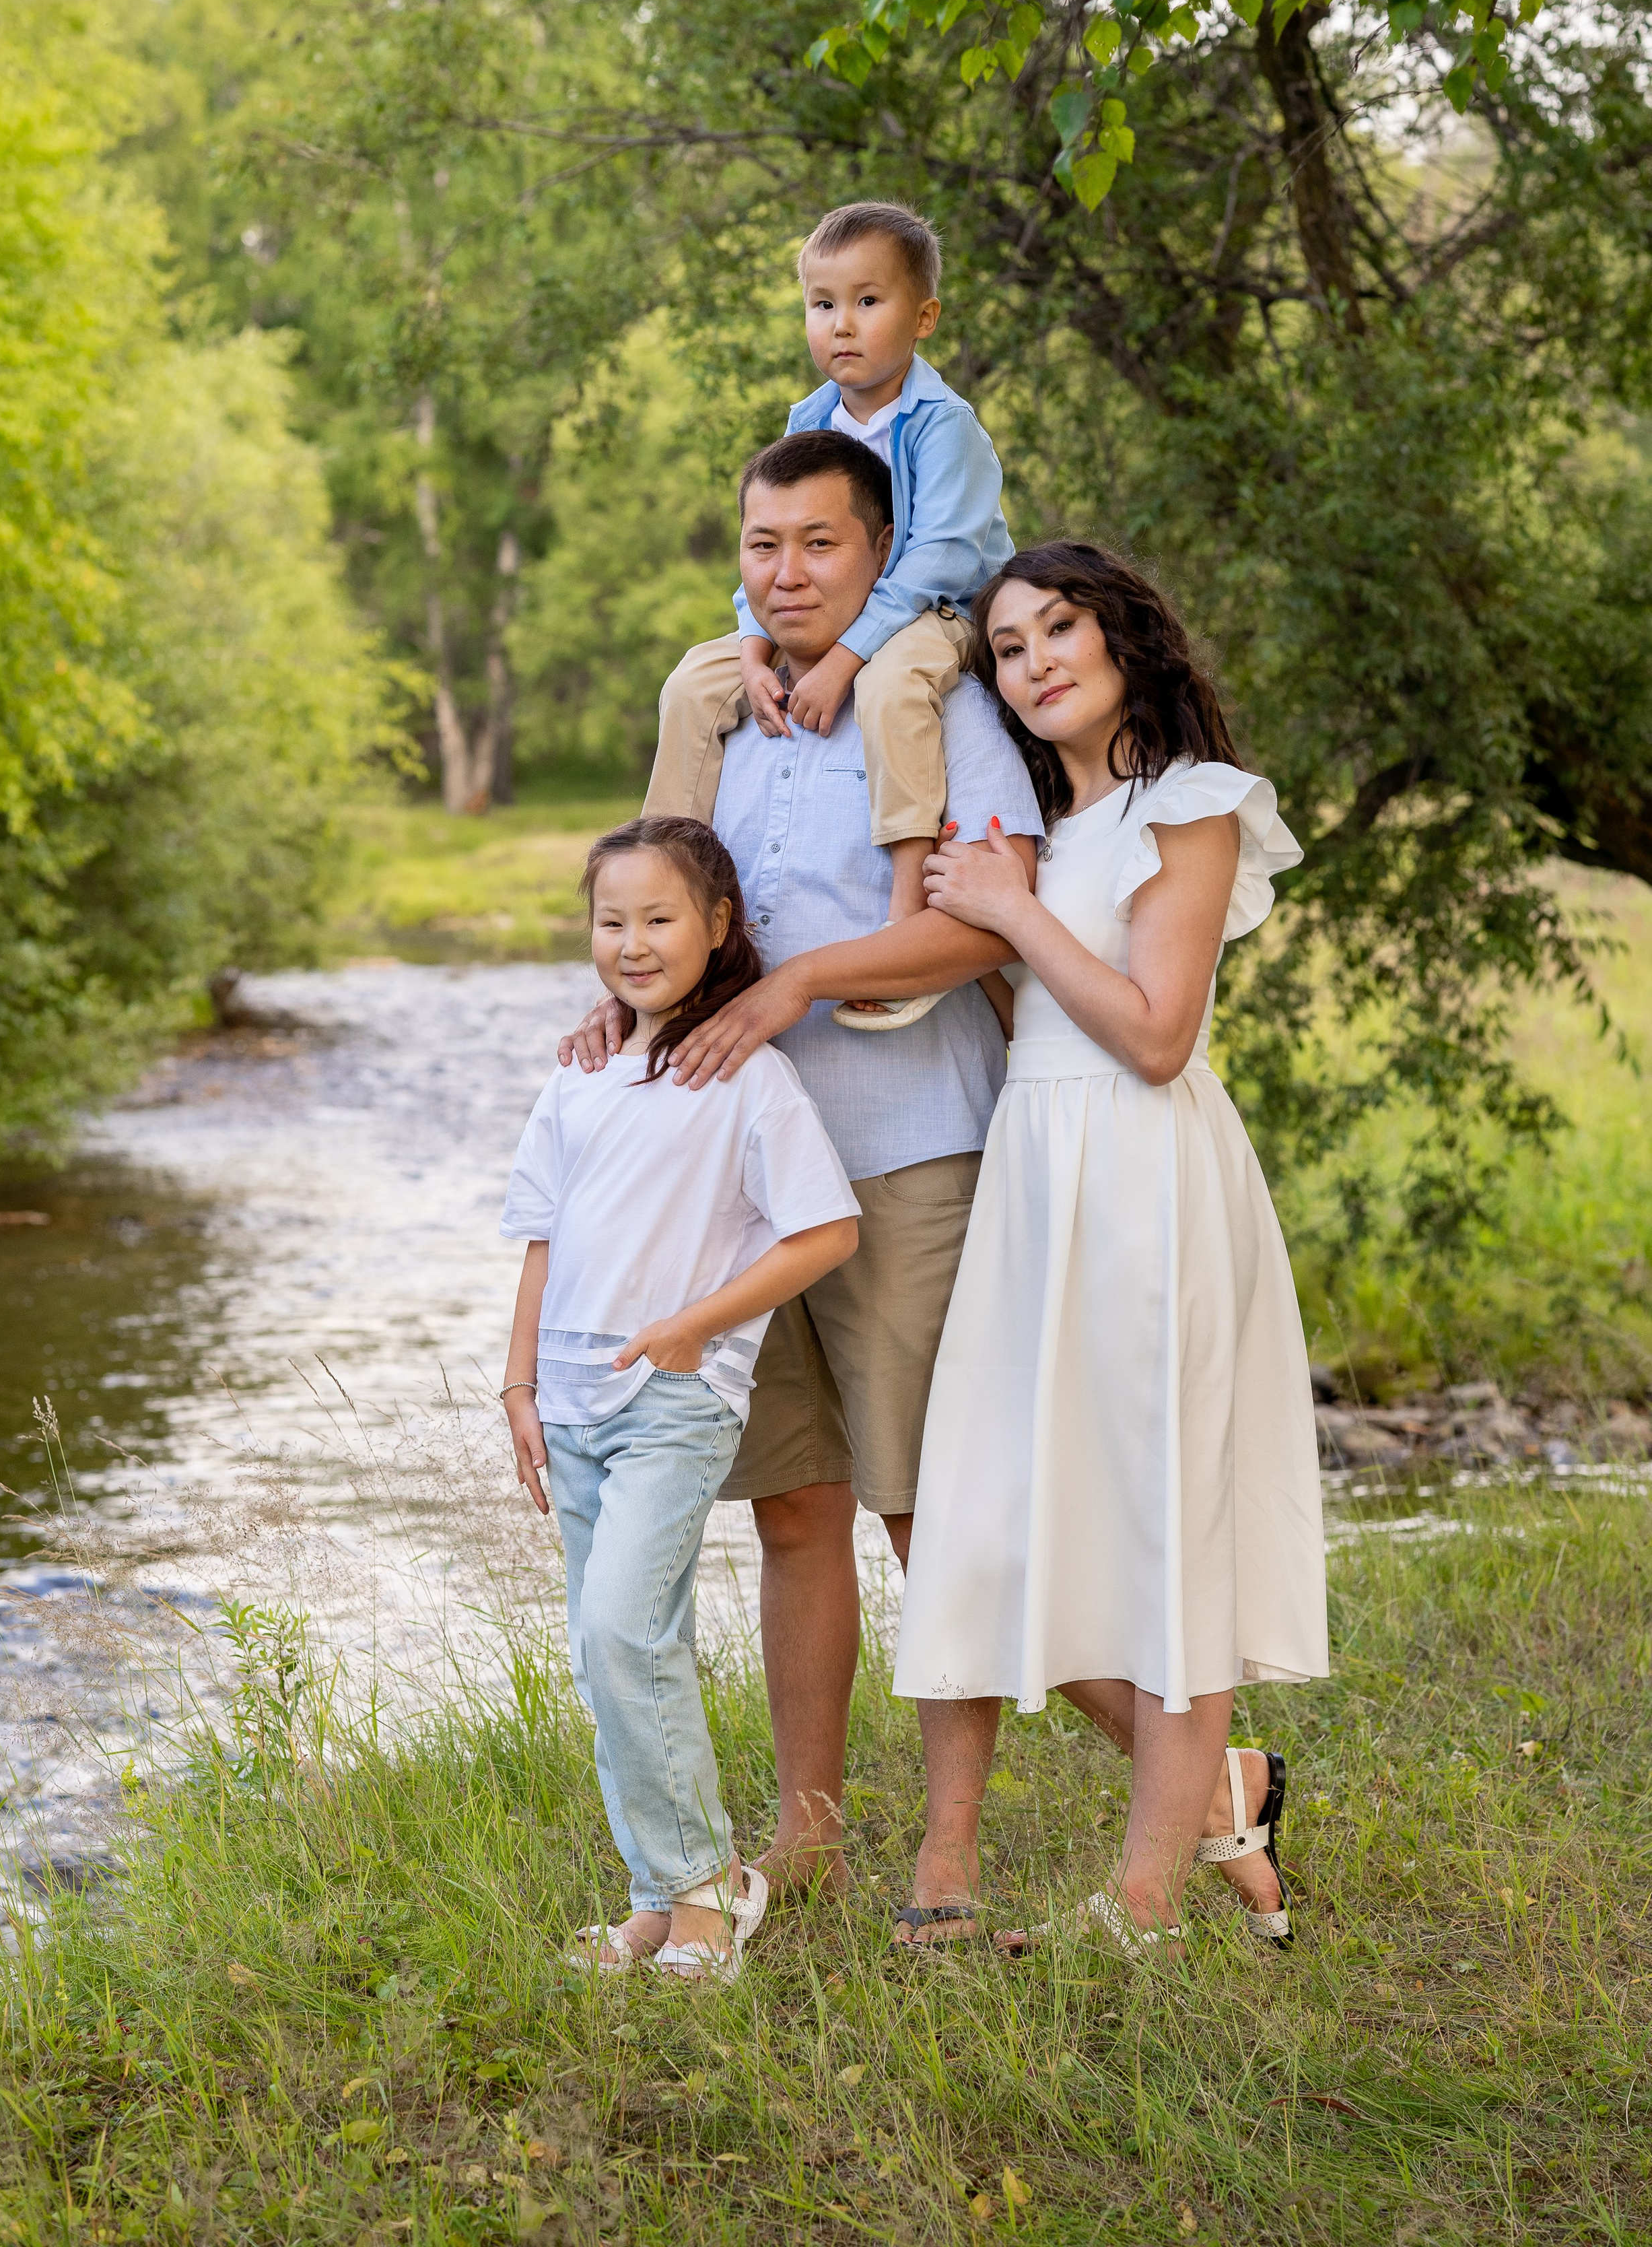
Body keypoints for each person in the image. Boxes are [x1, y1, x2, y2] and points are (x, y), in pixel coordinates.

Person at [561, 429, 1043, 1901]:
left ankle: (949, 1851)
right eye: (764, 545)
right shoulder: (717, 706)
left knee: (924, 1505)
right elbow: (676, 904)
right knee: (792, 1508)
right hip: (742, 1182)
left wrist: (791, 988)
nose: (787, 573)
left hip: (905, 1149)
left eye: (820, 545)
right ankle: (810, 1832)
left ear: (877, 555)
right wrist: (638, 994)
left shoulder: (935, 699)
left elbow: (983, 926)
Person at [892, 542, 1330, 1953]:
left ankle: (1139, 1906)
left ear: (1125, 636)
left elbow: (1151, 1034)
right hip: (1036, 1176)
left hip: (1146, 1180)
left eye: (1057, 629)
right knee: (999, 1513)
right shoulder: (1038, 826)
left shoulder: (1188, 805)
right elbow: (1029, 1019)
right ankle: (1228, 1790)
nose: (1033, 664)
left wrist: (1010, 915)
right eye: (1008, 649)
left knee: (1158, 1521)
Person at [500, 815, 860, 1980]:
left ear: (717, 928)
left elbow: (827, 1230)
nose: (634, 943)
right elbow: (541, 1240)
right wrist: (517, 1382)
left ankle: (712, 1890)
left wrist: (699, 1324)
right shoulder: (581, 1073)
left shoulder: (752, 1080)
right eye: (613, 922)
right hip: (569, 1399)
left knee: (624, 1627)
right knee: (605, 1650)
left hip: (678, 1394)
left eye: (660, 920)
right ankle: (658, 1895)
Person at [644, 199, 1013, 990]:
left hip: (945, 613)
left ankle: (905, 912)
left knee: (890, 687)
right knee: (692, 683)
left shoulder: (946, 427)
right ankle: (658, 892)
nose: (840, 324)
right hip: (850, 616)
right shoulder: (809, 418)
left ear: (924, 318)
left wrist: (844, 659)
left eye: (867, 302)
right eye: (822, 305)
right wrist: (752, 652)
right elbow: (770, 541)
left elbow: (937, 561)